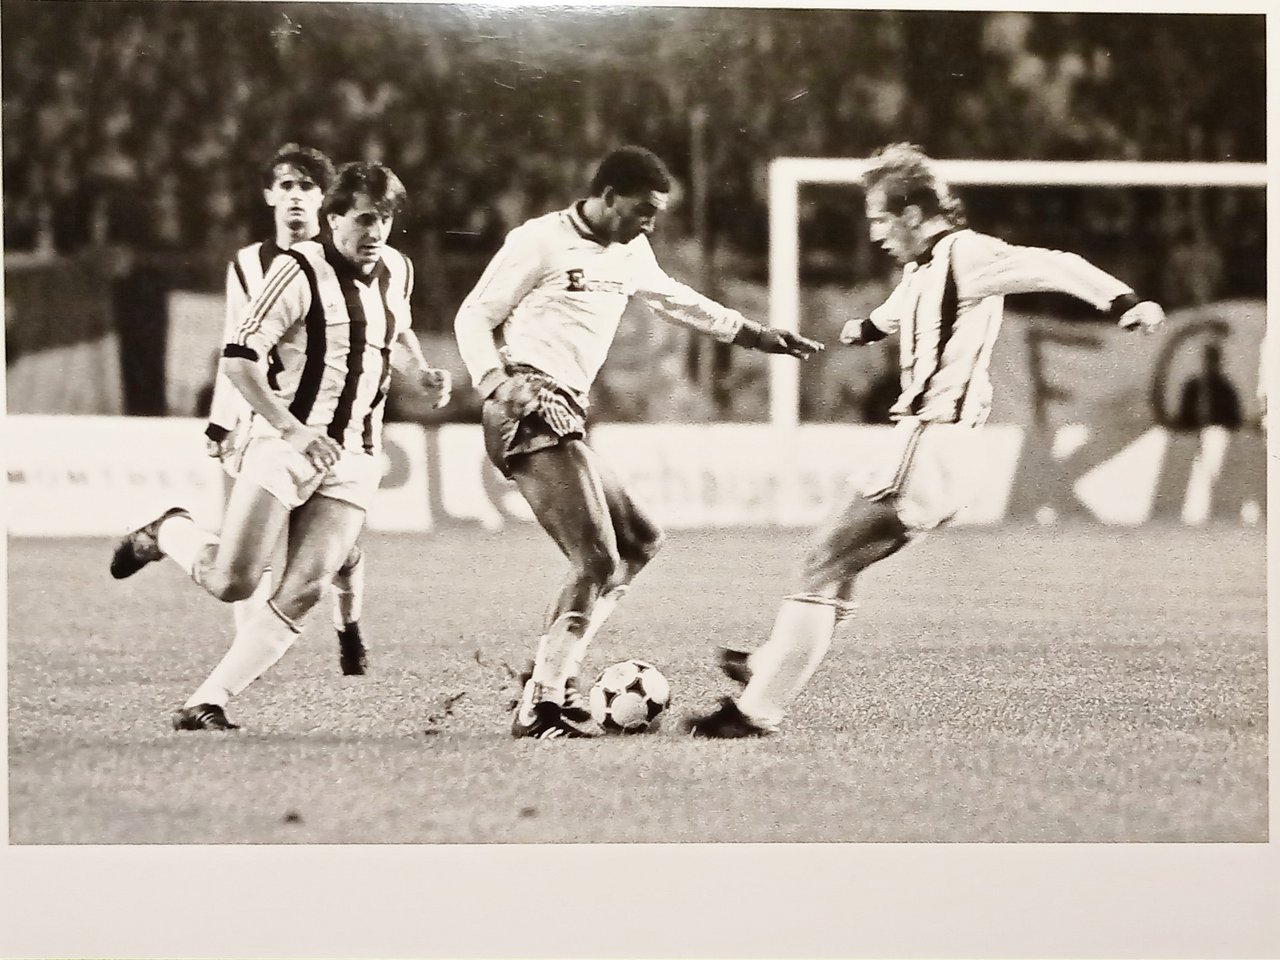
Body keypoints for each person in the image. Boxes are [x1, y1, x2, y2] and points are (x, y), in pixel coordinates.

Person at [685, 142, 1166, 738]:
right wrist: (868, 327)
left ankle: (756, 709)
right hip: (938, 448)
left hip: (931, 442)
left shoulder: (970, 253)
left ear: (914, 214)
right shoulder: (925, 268)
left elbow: (1055, 264)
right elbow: (909, 305)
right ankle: (769, 665)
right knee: (838, 569)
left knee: (820, 562)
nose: (877, 233)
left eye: (881, 219)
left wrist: (1124, 301)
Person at [454, 145, 823, 739]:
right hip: (526, 404)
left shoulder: (631, 251)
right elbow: (473, 316)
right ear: (606, 197)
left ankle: (553, 668)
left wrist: (757, 336)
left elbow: (678, 301)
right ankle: (542, 704)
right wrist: (499, 383)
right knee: (596, 558)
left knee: (640, 542)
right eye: (642, 210)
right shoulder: (539, 241)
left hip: (567, 410)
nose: (650, 222)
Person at [111, 161, 451, 730]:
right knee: (233, 582)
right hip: (285, 444)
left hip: (356, 456)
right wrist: (293, 428)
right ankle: (166, 531)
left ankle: (207, 701)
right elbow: (238, 360)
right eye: (365, 219)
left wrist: (420, 370)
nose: (376, 232)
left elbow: (398, 328)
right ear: (334, 217)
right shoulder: (296, 271)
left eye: (386, 220)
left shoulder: (397, 268)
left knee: (307, 586)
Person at [203, 143, 373, 677]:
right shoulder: (250, 264)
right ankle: (240, 665)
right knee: (244, 559)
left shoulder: (352, 259)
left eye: (307, 187)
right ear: (269, 196)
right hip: (269, 420)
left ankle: (349, 628)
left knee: (342, 553)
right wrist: (221, 419)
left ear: (327, 202)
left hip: (340, 430)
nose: (296, 197)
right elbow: (236, 343)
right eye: (287, 185)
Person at [1174, 342, 1242, 430]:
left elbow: (1234, 421)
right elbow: (1183, 417)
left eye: (1213, 360)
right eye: (1208, 359)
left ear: (1218, 362)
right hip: (1192, 434)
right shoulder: (1192, 387)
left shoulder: (1226, 390)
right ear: (1204, 360)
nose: (1210, 364)